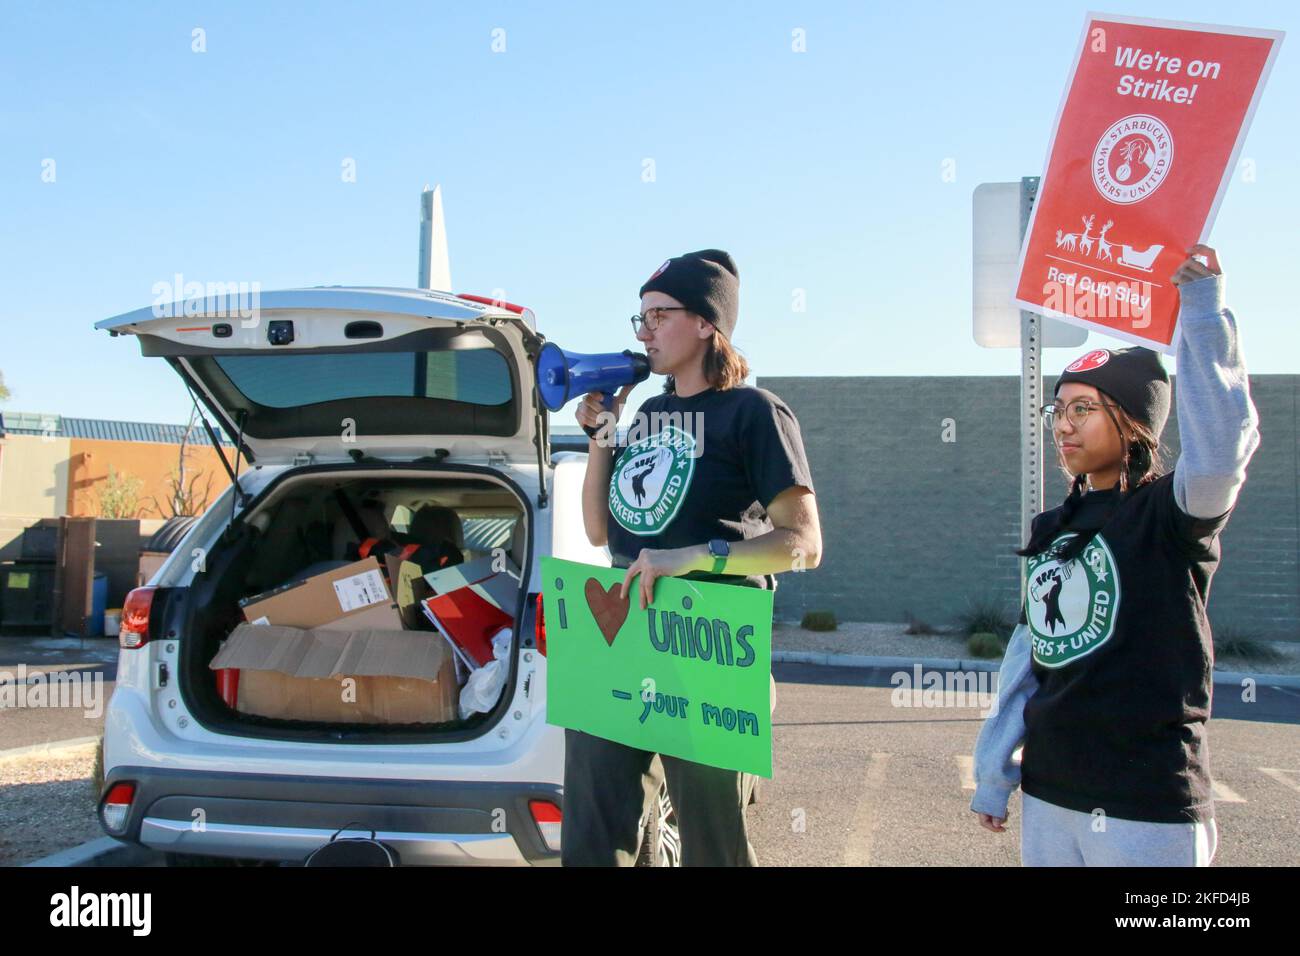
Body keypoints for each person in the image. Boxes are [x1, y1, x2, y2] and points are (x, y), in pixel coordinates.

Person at [970, 245, 1260, 866]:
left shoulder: (1173, 514)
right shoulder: (1052, 526)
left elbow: (1222, 448)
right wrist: (993, 771)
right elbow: (1029, 657)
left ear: (1132, 424)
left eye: (1084, 408)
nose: (1063, 425)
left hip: (1148, 804)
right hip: (1051, 793)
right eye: (1059, 408)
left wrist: (1203, 310)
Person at [563, 248, 823, 866]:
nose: (644, 330)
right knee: (594, 835)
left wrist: (694, 557)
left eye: (660, 314)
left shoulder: (754, 412)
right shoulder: (650, 414)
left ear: (708, 323)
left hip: (708, 635)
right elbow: (600, 532)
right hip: (624, 627)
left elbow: (803, 545)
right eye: (641, 318)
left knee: (713, 842)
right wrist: (603, 436)